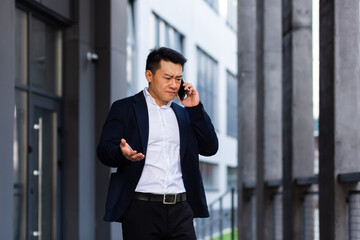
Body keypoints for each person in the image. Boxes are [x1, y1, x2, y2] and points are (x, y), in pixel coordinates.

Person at [97, 47, 218, 239]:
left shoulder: (184, 114)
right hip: (141, 210)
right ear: (149, 75)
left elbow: (210, 148)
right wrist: (122, 154)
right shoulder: (124, 108)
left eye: (178, 79)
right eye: (167, 77)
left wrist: (195, 109)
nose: (173, 84)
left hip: (181, 210)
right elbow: (104, 151)